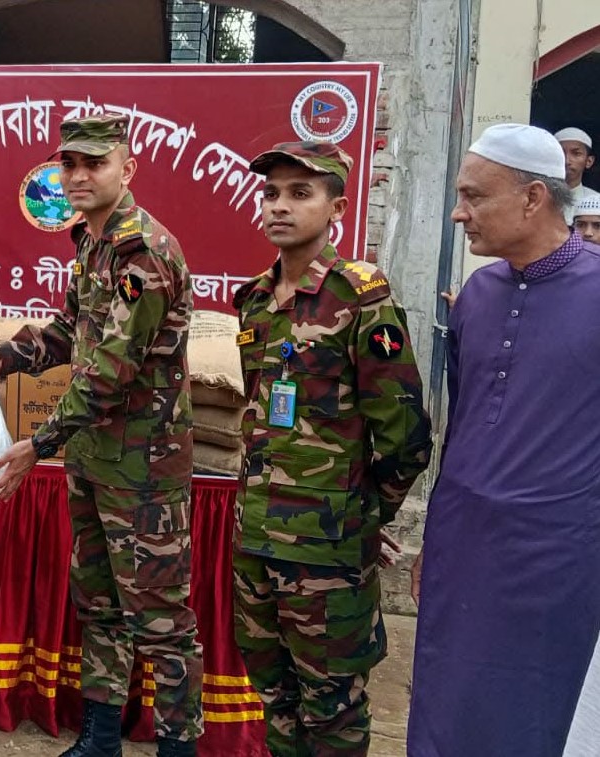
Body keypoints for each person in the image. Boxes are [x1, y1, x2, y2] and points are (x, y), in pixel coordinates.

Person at [0, 115, 202, 757]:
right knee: (99, 604)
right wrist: (6, 357)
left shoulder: (143, 251)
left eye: (93, 164)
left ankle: (177, 748)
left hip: (144, 470)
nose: (77, 176)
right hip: (96, 458)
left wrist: (36, 445)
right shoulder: (93, 243)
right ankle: (99, 741)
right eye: (69, 164)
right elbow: (72, 331)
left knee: (159, 621)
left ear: (126, 171)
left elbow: (107, 374)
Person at [230, 141, 431, 757]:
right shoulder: (256, 301)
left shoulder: (361, 298)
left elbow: (405, 434)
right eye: (271, 193)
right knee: (275, 696)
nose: (280, 207)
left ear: (337, 207)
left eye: (300, 193)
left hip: (327, 549)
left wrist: (367, 514)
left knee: (333, 708)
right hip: (256, 538)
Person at [408, 123, 600, 756]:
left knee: (538, 714)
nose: (460, 213)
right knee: (447, 703)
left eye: (474, 196)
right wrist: (434, 539)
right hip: (464, 547)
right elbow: (461, 426)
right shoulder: (476, 297)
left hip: (560, 559)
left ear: (533, 198)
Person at [555, 127, 600, 224]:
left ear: (589, 161)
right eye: (561, 153)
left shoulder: (597, 201)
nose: (567, 161)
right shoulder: (537, 197)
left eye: (576, 153)